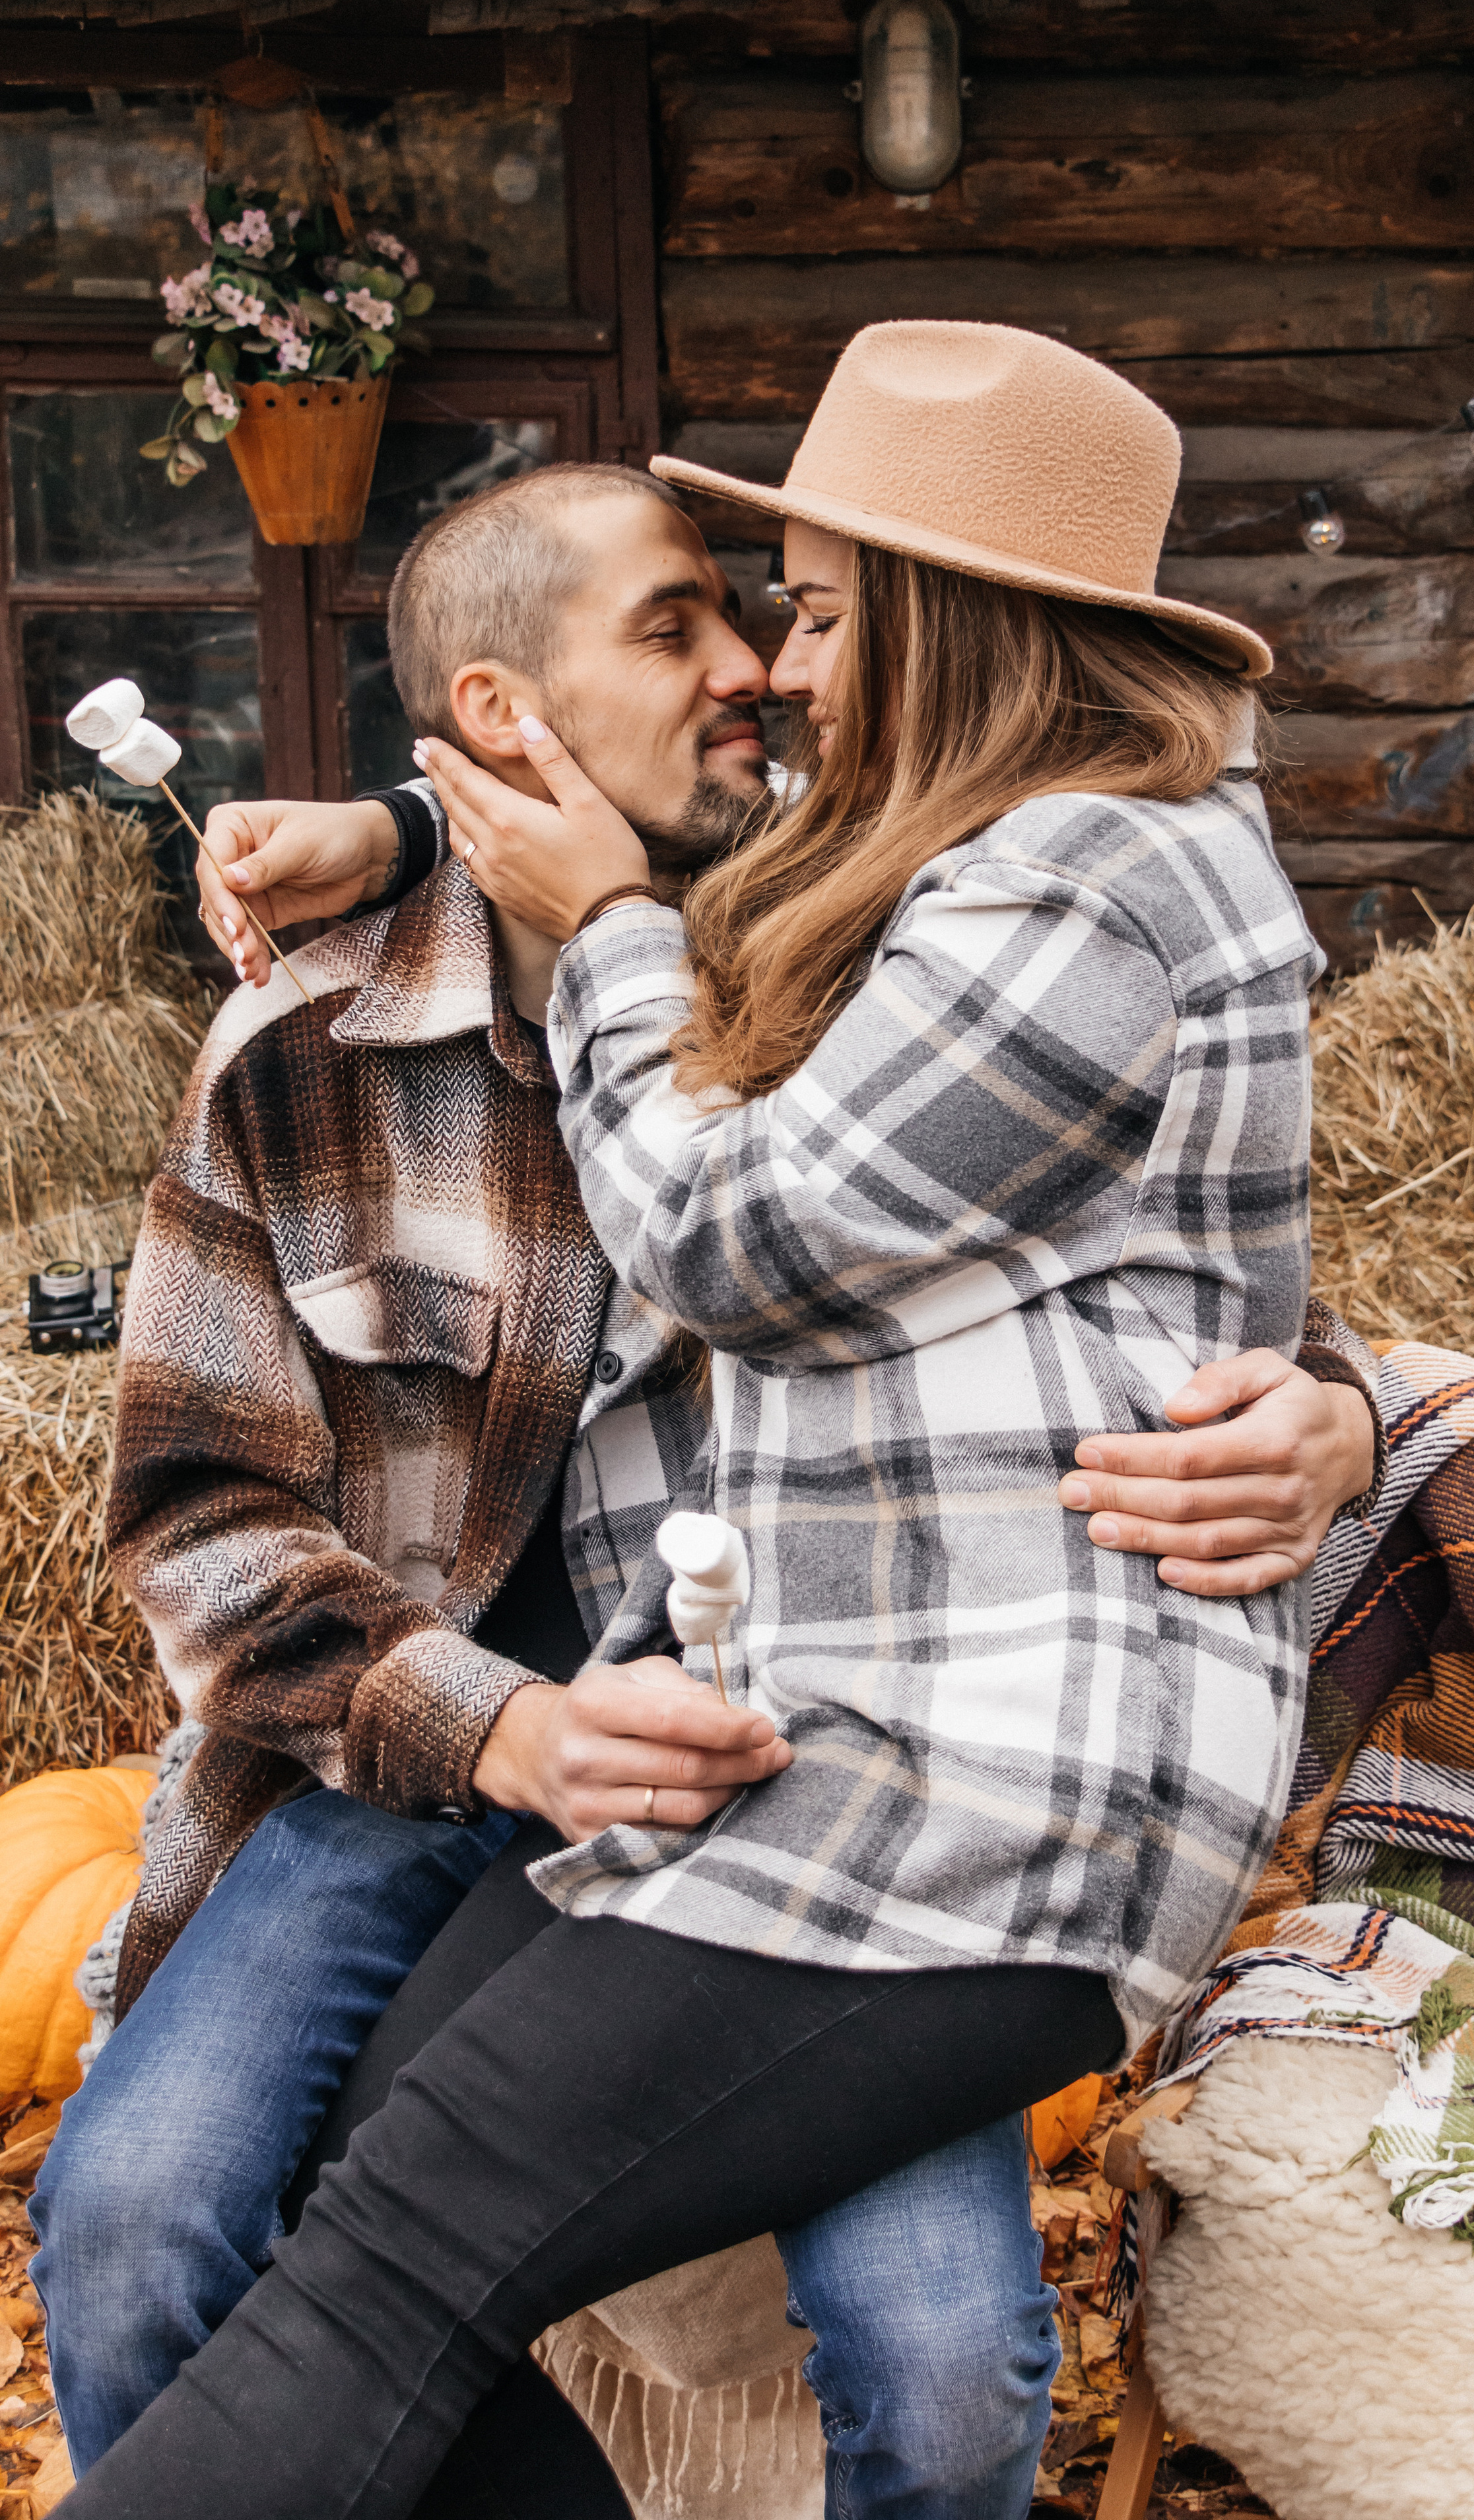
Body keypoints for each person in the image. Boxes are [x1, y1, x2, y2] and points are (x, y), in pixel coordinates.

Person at [57, 320, 1351, 2520]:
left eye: (798, 611)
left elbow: (1138, 1268)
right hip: (421, 1742)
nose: (768, 665)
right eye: (704, 625)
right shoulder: (306, 1047)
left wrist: (1323, 1407)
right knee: (145, 2221)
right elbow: (194, 1513)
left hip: (808, 1746)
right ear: (503, 725)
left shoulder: (862, 926)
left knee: (939, 2366)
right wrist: (487, 1728)